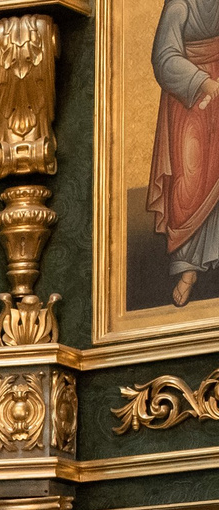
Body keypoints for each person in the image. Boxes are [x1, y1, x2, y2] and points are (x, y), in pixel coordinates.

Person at [154, 0, 219, 306]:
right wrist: (201, 82)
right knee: (190, 181)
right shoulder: (179, 5)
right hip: (189, 99)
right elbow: (164, 58)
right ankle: (188, 267)